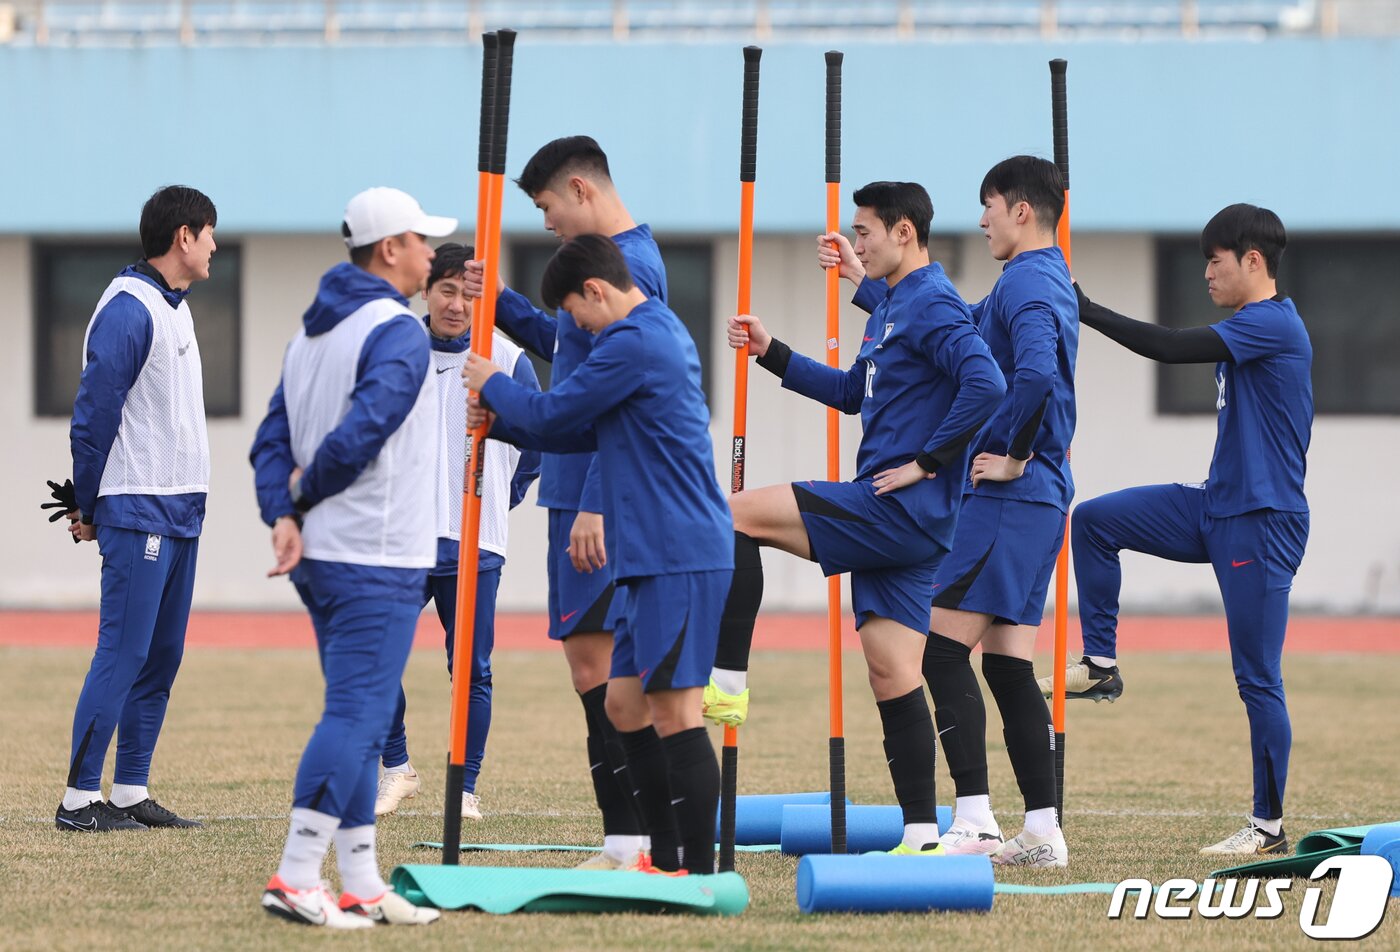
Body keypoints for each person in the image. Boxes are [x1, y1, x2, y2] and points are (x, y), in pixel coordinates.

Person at [706, 182, 1007, 855]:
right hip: (907, 526)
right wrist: (772, 351)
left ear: (903, 232)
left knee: (733, 517)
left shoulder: (931, 303)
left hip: (896, 508)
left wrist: (930, 461)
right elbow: (851, 392)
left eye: (864, 232)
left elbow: (987, 382)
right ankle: (931, 834)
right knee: (891, 671)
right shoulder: (896, 305)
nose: (854, 243)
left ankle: (726, 681)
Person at [1038, 204, 1311, 856]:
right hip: (1216, 506)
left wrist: (1087, 308)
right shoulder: (1249, 325)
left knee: (1257, 678)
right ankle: (1100, 663)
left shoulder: (1273, 324)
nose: (1207, 273)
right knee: (1096, 521)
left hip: (1262, 522)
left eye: (1215, 260)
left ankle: (1268, 829)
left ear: (1252, 260)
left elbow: (1167, 347)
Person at [462, 234, 732, 876]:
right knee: (623, 704)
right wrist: (501, 421)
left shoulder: (635, 340)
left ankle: (695, 869)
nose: (573, 331)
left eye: (574, 315)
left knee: (674, 709)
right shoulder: (636, 336)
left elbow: (559, 410)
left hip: (680, 549)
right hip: (649, 553)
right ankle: (658, 857)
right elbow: (581, 427)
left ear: (597, 291)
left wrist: (493, 382)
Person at [250, 187, 455, 928]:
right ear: (388, 249)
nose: (432, 255)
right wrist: (297, 505)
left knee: (365, 721)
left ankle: (362, 880)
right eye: (421, 240)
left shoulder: (308, 336)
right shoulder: (397, 330)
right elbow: (366, 430)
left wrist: (284, 510)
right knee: (353, 716)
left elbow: (270, 439)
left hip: (332, 554)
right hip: (374, 552)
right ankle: (298, 875)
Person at [464, 136, 665, 869]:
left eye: (548, 207)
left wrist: (600, 503)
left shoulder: (630, 266)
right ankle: (626, 837)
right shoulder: (597, 273)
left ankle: (636, 837)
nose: (547, 223)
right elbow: (564, 347)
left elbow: (630, 401)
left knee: (607, 674)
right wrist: (497, 301)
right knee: (591, 670)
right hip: (575, 491)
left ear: (580, 190)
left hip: (596, 498)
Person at [915, 156, 1077, 867]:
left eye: (987, 206)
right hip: (1038, 496)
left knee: (941, 649)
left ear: (1020, 210)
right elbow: (964, 334)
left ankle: (975, 820)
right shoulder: (1034, 280)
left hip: (1015, 492)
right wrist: (869, 287)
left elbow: (1037, 373)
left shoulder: (1031, 283)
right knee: (1008, 668)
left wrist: (1014, 451)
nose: (980, 221)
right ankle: (1041, 832)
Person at [54, 185, 217, 833]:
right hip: (138, 509)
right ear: (184, 237)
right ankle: (77, 801)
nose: (213, 247)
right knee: (121, 653)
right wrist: (85, 501)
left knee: (162, 656)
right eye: (209, 234)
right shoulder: (128, 308)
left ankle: (128, 791)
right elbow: (94, 413)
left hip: (181, 511)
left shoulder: (175, 308)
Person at [373, 242, 540, 820]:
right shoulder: (397, 352)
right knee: (373, 654)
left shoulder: (508, 357)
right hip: (402, 539)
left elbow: (536, 445)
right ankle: (397, 767)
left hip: (476, 540)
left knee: (471, 669)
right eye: (446, 290)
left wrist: (500, 498)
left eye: (468, 293)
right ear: (426, 290)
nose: (456, 304)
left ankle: (463, 788)